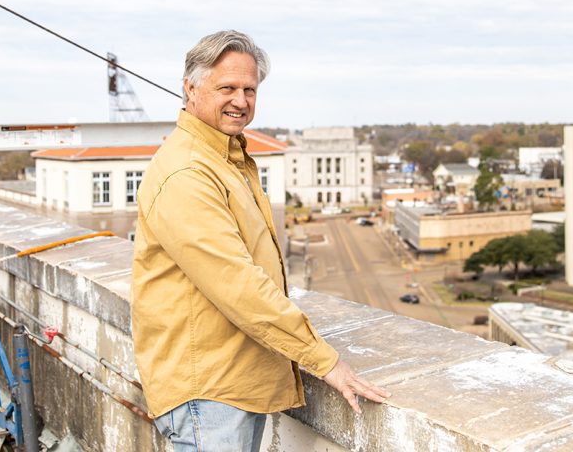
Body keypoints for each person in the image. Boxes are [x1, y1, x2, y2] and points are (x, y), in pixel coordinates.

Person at [131, 30, 388, 451]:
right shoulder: (188, 172)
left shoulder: (223, 157)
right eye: (227, 88)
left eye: (249, 89)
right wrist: (326, 361)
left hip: (227, 380)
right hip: (209, 390)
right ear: (190, 88)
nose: (241, 100)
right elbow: (238, 284)